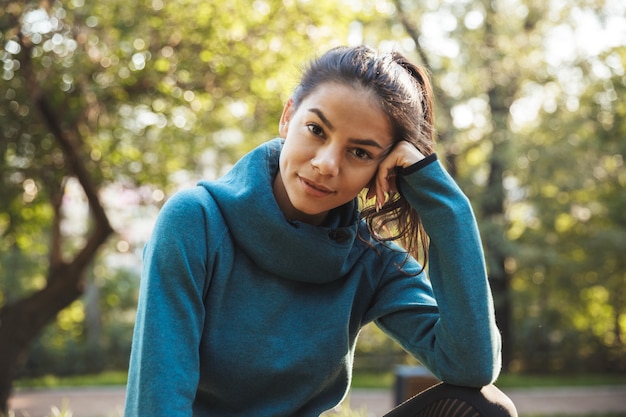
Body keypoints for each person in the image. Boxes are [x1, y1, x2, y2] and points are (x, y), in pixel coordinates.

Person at [124, 45, 517, 417]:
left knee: (484, 410)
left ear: (383, 172)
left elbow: (471, 366)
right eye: (316, 129)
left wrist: (446, 206)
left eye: (359, 152)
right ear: (287, 116)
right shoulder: (196, 221)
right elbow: (157, 400)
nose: (327, 164)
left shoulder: (372, 259)